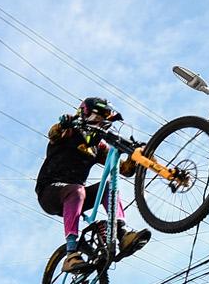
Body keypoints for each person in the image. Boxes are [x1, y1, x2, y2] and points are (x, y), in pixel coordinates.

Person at [36, 97, 150, 272]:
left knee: (107, 187)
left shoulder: (98, 148)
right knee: (77, 191)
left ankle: (122, 233)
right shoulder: (69, 132)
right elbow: (54, 134)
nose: (100, 124)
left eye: (104, 122)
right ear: (85, 114)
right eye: (97, 118)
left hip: (76, 195)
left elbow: (125, 170)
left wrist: (136, 155)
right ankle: (71, 254)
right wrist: (65, 123)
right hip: (49, 192)